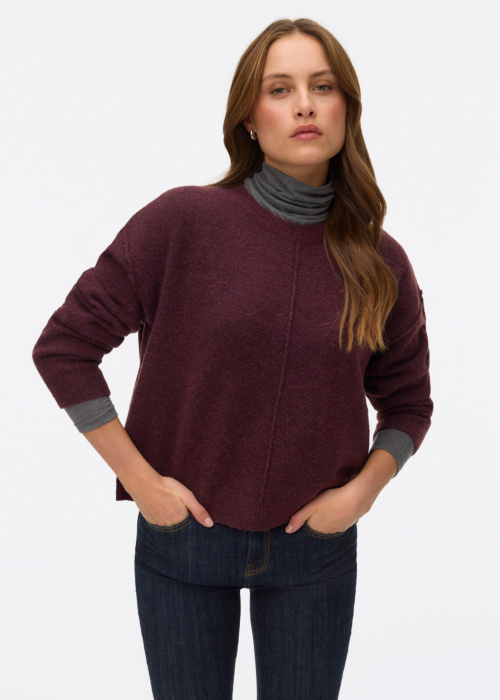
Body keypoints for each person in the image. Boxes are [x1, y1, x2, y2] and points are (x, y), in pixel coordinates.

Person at [32, 17, 433, 700]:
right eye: (280, 89)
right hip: (184, 538)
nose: (304, 105)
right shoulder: (181, 223)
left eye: (323, 87)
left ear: (347, 108)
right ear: (249, 117)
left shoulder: (380, 261)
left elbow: (408, 404)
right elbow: (64, 349)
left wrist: (363, 492)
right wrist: (141, 482)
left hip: (317, 548)